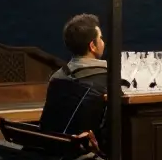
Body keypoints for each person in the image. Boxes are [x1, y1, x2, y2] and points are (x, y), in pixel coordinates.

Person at [40, 13, 124, 148]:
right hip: (92, 153)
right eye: (100, 38)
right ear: (93, 46)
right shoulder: (108, 79)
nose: (103, 42)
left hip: (57, 149)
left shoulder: (57, 77)